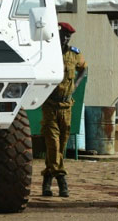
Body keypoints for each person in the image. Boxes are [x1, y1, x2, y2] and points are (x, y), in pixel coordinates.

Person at [41, 22, 87, 198]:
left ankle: (46, 181)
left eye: (68, 36)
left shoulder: (74, 54)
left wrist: (75, 84)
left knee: (60, 146)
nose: (65, 38)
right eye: (63, 35)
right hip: (50, 105)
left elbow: (83, 69)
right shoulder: (48, 53)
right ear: (57, 35)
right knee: (52, 143)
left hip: (67, 106)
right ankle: (61, 179)